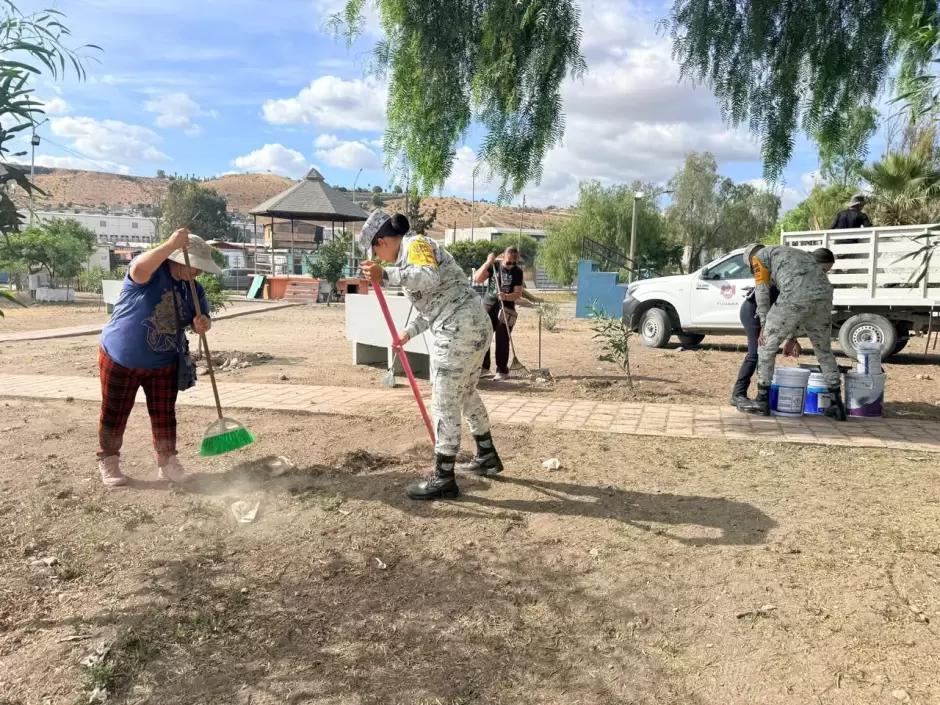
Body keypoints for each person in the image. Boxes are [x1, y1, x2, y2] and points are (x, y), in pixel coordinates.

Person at [360, 210, 503, 501]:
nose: (376, 255)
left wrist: (384, 275)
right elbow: (434, 304)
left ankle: (444, 477)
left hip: (458, 329)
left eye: (375, 248)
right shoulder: (409, 256)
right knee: (464, 394)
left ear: (384, 239)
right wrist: (408, 333)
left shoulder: (415, 245)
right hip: (469, 325)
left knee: (445, 401)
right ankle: (487, 454)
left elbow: (427, 277)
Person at [97, 229, 218, 487]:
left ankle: (168, 464)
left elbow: (202, 322)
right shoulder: (151, 273)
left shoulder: (194, 290)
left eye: (200, 269)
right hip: (121, 356)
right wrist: (171, 243)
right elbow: (138, 268)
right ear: (176, 258)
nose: (198, 273)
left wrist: (201, 325)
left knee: (164, 415)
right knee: (114, 412)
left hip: (163, 361)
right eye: (195, 266)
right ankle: (109, 462)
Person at [737, 244, 846, 420]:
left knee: (766, 346)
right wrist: (792, 336)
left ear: (751, 260)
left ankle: (762, 400)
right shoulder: (795, 253)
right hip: (824, 295)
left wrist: (764, 324)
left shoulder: (758, 258)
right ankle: (836, 404)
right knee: (824, 350)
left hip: (795, 293)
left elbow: (762, 292)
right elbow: (801, 306)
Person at [473, 247, 524, 380]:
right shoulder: (493, 266)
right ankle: (484, 367)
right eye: (508, 261)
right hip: (488, 305)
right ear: (503, 257)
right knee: (484, 335)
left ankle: (502, 369)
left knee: (502, 338)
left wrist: (506, 296)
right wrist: (487, 263)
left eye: (513, 262)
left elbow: (518, 294)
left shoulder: (517, 272)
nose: (510, 264)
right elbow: (477, 279)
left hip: (506, 308)